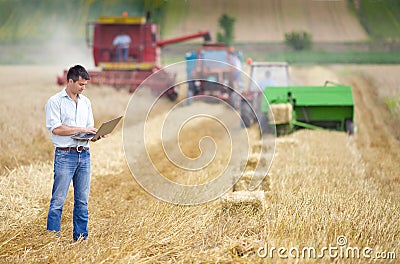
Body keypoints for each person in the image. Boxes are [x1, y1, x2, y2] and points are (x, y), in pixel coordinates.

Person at [45, 65, 105, 242]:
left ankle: (80, 239)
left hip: (84, 154)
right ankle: (51, 241)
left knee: (82, 201)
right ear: (69, 81)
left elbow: (88, 131)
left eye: (85, 85)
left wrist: (96, 135)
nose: (83, 88)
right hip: (65, 155)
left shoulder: (86, 102)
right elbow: (56, 129)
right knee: (58, 200)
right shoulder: (55, 101)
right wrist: (81, 129)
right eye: (80, 84)